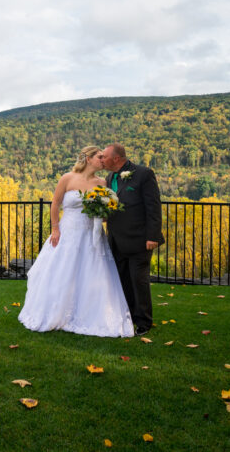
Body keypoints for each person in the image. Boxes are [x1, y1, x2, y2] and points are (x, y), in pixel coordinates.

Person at [18, 146, 134, 337]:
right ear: (89, 159)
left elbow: (105, 215)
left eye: (104, 158)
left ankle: (88, 314)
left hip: (91, 235)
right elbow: (55, 204)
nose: (103, 161)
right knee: (61, 272)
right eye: (100, 157)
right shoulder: (67, 178)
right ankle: (56, 312)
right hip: (67, 233)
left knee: (91, 272)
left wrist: (103, 212)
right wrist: (55, 228)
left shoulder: (102, 182)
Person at [102, 143, 165, 336]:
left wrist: (152, 236)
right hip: (116, 239)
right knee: (122, 281)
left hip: (139, 239)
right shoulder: (110, 177)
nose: (101, 159)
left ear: (116, 158)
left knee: (139, 281)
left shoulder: (143, 174)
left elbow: (153, 207)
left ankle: (143, 322)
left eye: (104, 156)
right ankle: (127, 317)